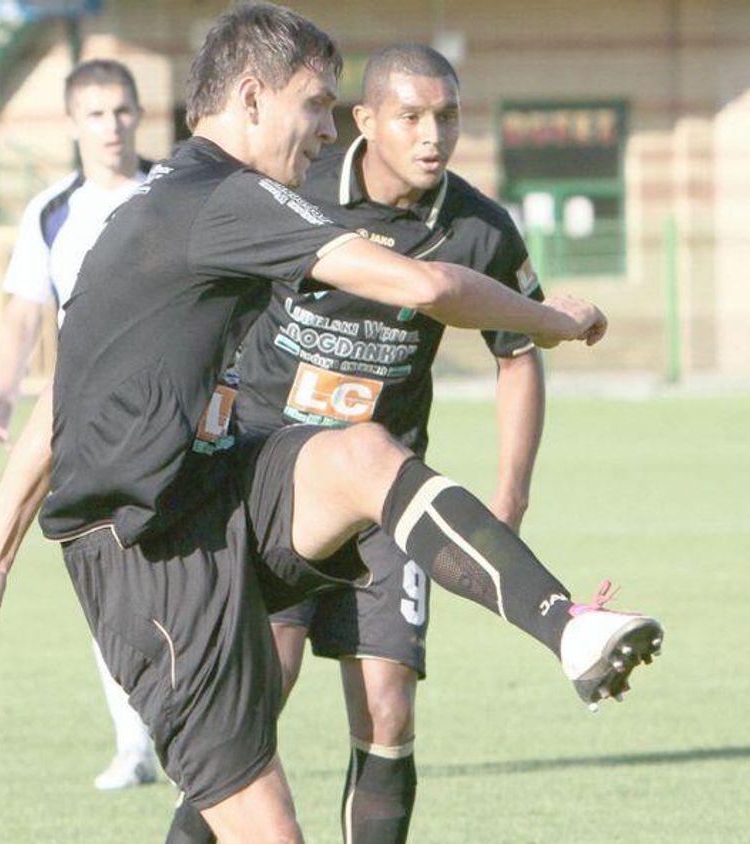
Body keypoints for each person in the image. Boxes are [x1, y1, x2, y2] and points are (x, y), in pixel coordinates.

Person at [0, 6, 662, 843]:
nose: (325, 130)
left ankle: (568, 626)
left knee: (362, 454)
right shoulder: (223, 200)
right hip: (151, 559)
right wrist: (553, 321)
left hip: (224, 488)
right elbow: (423, 289)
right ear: (251, 98)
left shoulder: (174, 203)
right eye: (315, 105)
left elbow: (63, 401)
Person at [171, 42, 550, 844]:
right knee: (255, 703)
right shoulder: (293, 189)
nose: (431, 135)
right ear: (365, 120)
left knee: (388, 707)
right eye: (410, 116)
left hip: (387, 497)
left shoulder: (480, 229)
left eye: (446, 116)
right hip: (278, 480)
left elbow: (518, 358)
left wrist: (508, 496)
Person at [0, 58, 158, 791]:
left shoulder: (171, 192)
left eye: (121, 111)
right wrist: (4, 385)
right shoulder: (53, 209)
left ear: (139, 114)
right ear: (72, 123)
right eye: (95, 113)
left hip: (175, 416)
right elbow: (27, 304)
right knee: (108, 583)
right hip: (85, 422)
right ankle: (133, 745)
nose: (111, 126)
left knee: (187, 577)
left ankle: (191, 736)